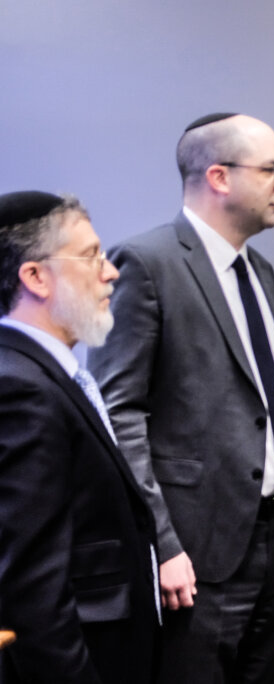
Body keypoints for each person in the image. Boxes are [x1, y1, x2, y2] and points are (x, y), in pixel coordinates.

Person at [87, 113, 274, 682]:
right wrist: (162, 545)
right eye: (271, 170)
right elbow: (119, 415)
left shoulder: (259, 271)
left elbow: (272, 396)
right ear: (218, 176)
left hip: (270, 541)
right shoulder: (145, 263)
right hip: (193, 554)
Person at [0, 191, 158, 683]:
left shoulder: (50, 375)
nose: (110, 272)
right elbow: (32, 587)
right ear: (35, 277)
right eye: (91, 256)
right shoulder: (19, 387)